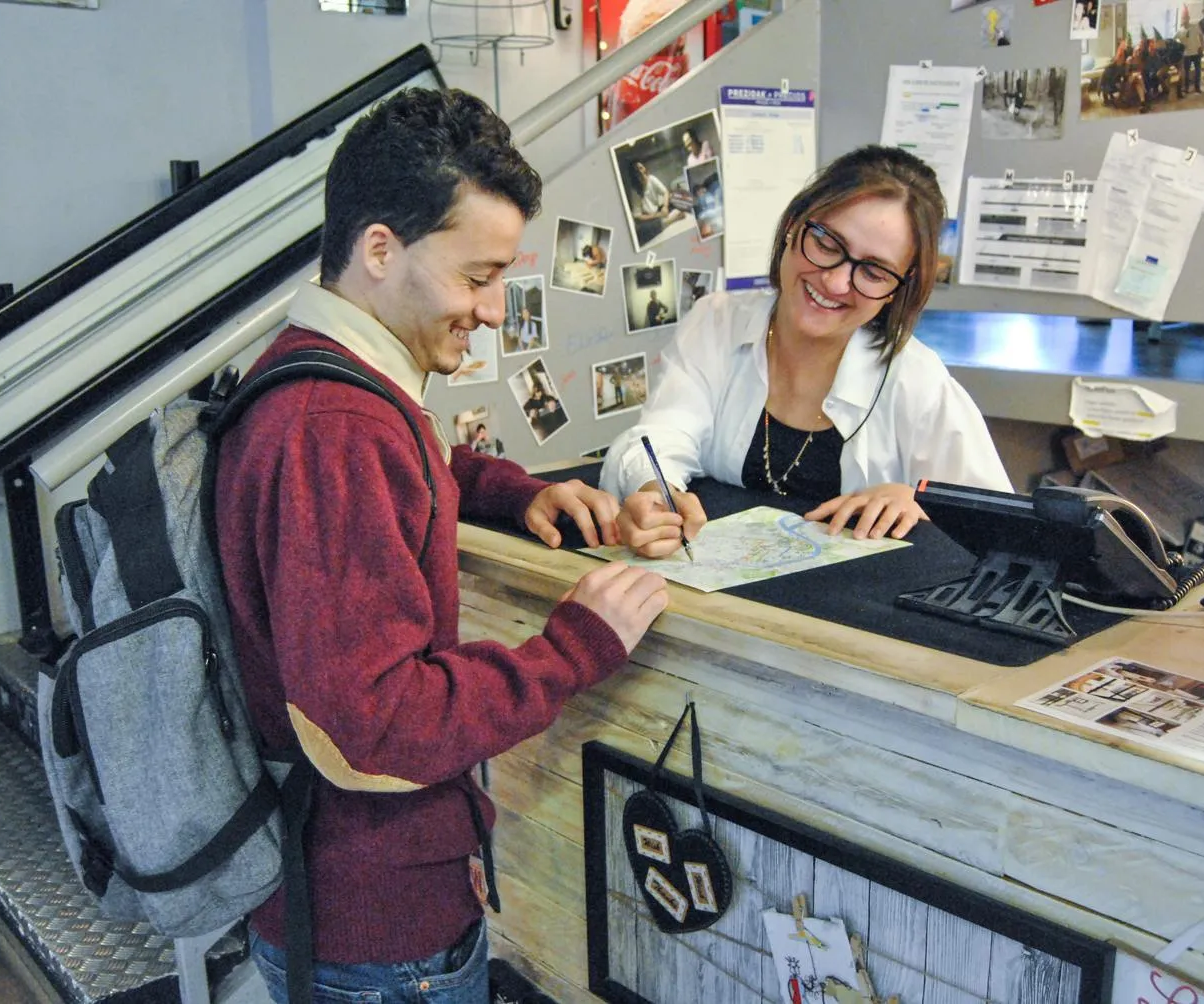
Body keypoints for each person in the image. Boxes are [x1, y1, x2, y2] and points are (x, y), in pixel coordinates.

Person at [214, 88, 669, 1004]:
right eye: (477, 276)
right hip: (379, 936)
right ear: (381, 249)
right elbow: (374, 725)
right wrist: (573, 649)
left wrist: (517, 493)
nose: (496, 309)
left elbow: (408, 476)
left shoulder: (328, 374)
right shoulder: (334, 424)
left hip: (343, 907)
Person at [599, 145, 1011, 556]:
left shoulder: (917, 379)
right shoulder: (717, 323)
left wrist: (919, 502)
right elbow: (662, 435)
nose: (835, 283)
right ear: (793, 226)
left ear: (898, 289)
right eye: (828, 244)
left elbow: (998, 530)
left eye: (873, 271)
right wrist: (655, 492)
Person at [628, 160, 684, 246]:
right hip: (649, 218)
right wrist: (658, 215)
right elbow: (638, 216)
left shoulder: (652, 179)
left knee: (676, 196)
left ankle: (668, 218)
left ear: (644, 169)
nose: (640, 171)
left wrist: (665, 206)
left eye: (641, 168)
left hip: (659, 210)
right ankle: (672, 219)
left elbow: (665, 192)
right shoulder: (635, 191)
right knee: (642, 231)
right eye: (637, 170)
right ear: (634, 175)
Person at [1177, 7, 1203, 96]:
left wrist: (1202, 47)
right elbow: (1174, 40)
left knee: (1198, 70)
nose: (1184, 19)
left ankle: (1197, 87)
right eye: (1183, 18)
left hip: (1196, 52)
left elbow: (1201, 36)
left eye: (1186, 18)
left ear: (1189, 18)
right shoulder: (1180, 30)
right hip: (1186, 54)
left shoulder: (1195, 26)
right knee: (1186, 72)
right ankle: (1187, 88)